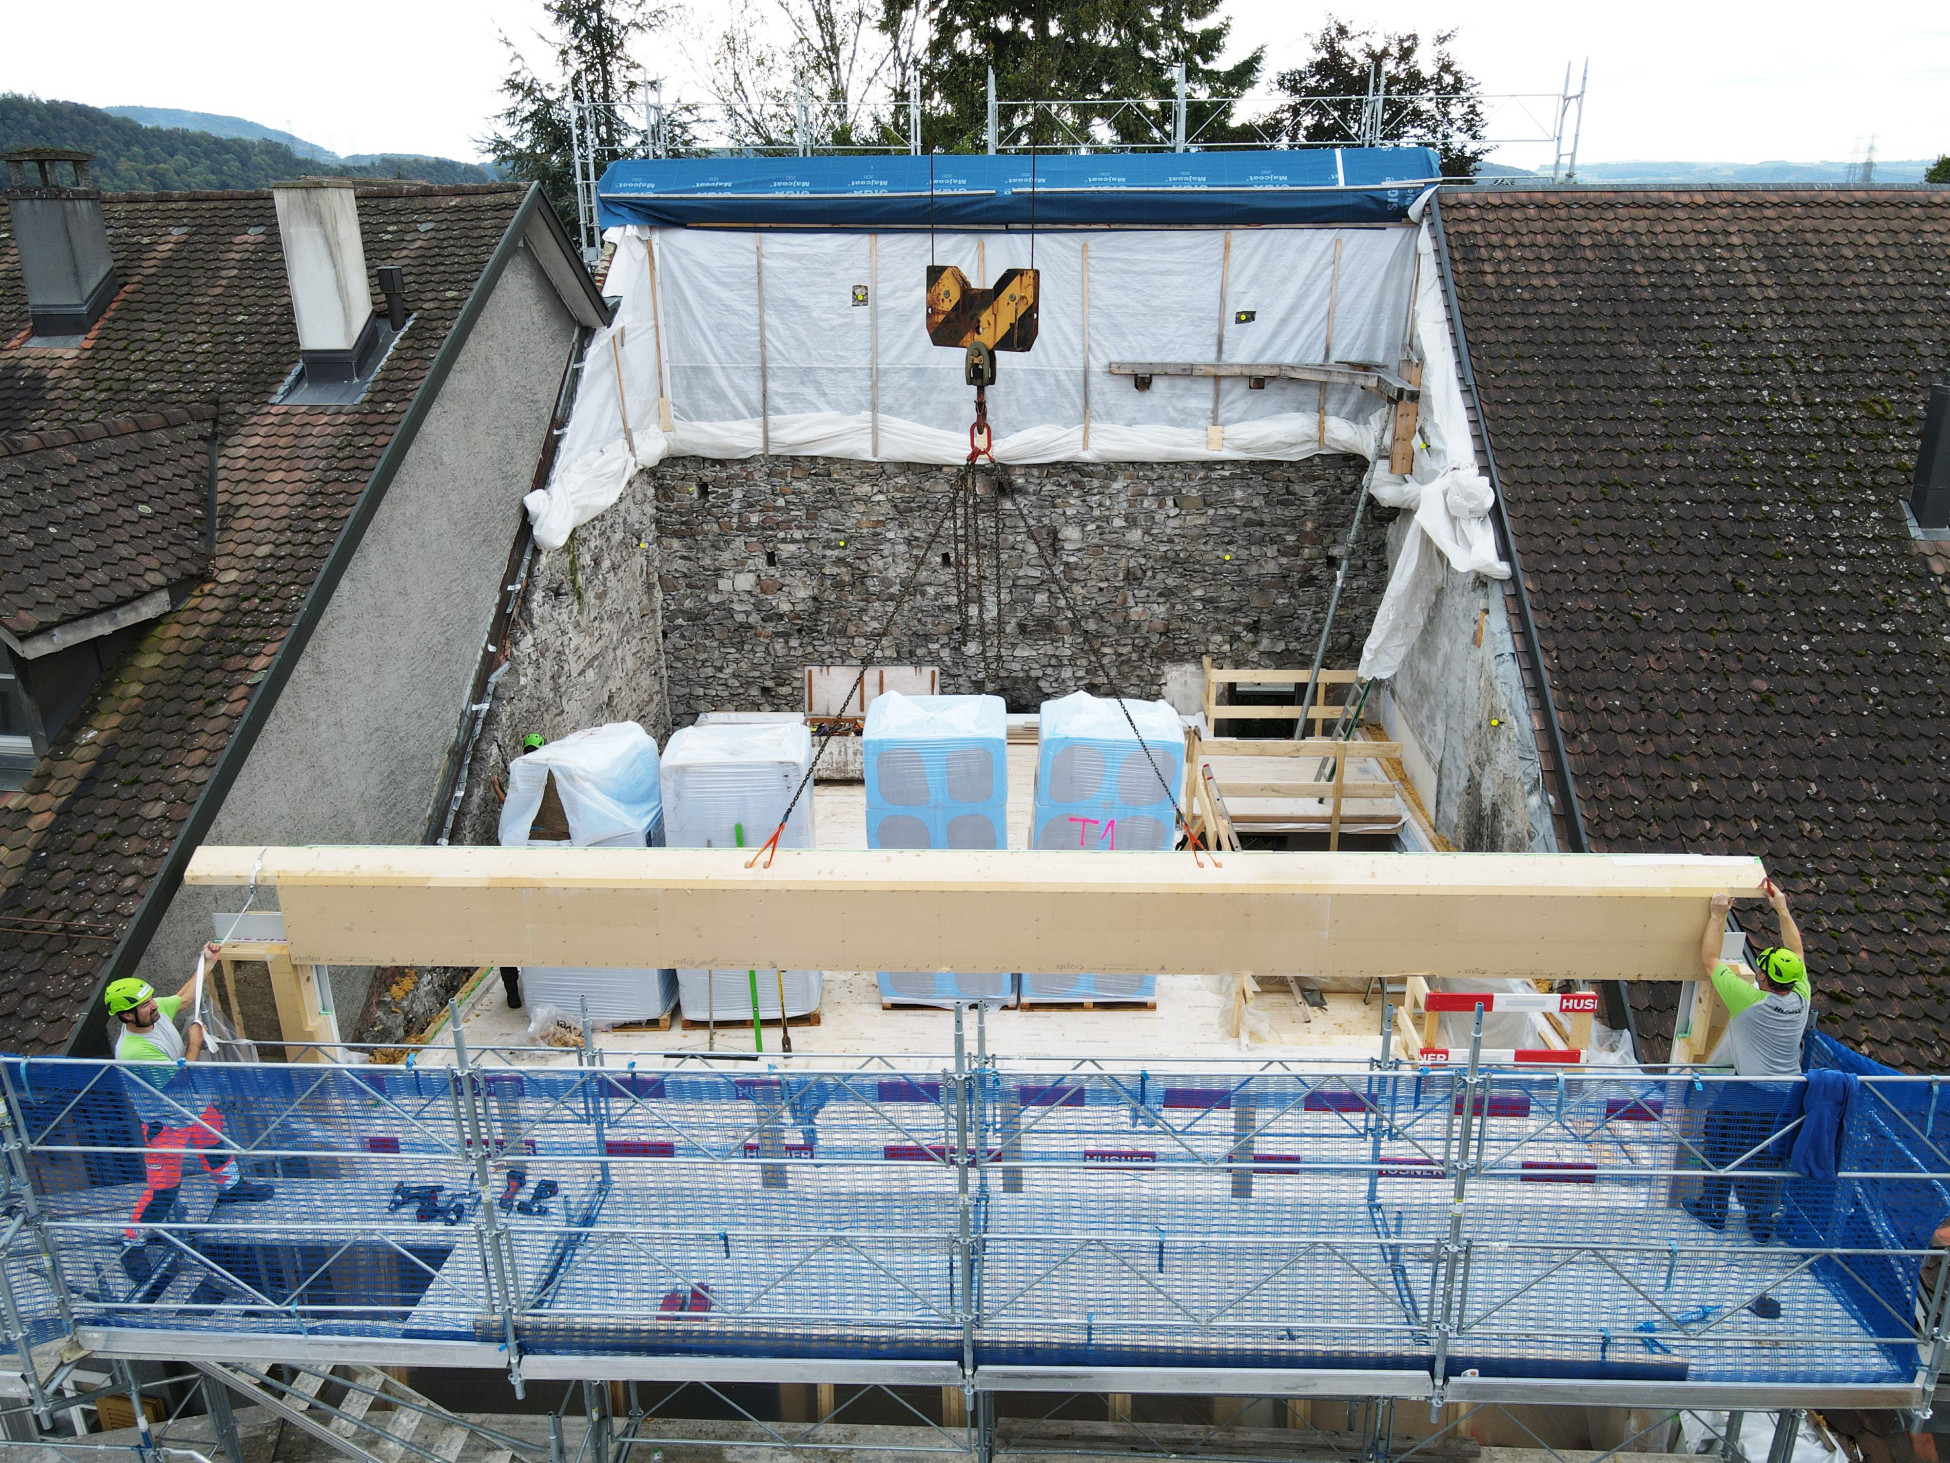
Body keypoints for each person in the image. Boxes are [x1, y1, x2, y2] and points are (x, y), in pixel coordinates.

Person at [107, 943, 273, 1282]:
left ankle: (231, 1187)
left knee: (214, 1140)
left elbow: (184, 997)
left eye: (152, 999)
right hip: (165, 1123)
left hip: (193, 1107)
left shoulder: (155, 1015)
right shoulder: (134, 1050)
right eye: (145, 1005)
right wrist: (194, 1039)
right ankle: (132, 1244)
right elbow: (182, 1075)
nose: (154, 1006)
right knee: (163, 1189)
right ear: (126, 1015)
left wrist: (207, 962)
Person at [1684, 878, 1812, 1244]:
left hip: (1748, 1093)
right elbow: (1798, 954)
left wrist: (1718, 914)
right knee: (1765, 1159)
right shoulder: (1801, 998)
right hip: (1788, 1096)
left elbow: (1709, 959)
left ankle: (1713, 1209)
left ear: (1764, 977)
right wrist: (1782, 909)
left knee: (1721, 1141)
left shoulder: (1749, 1000)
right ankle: (1759, 1223)